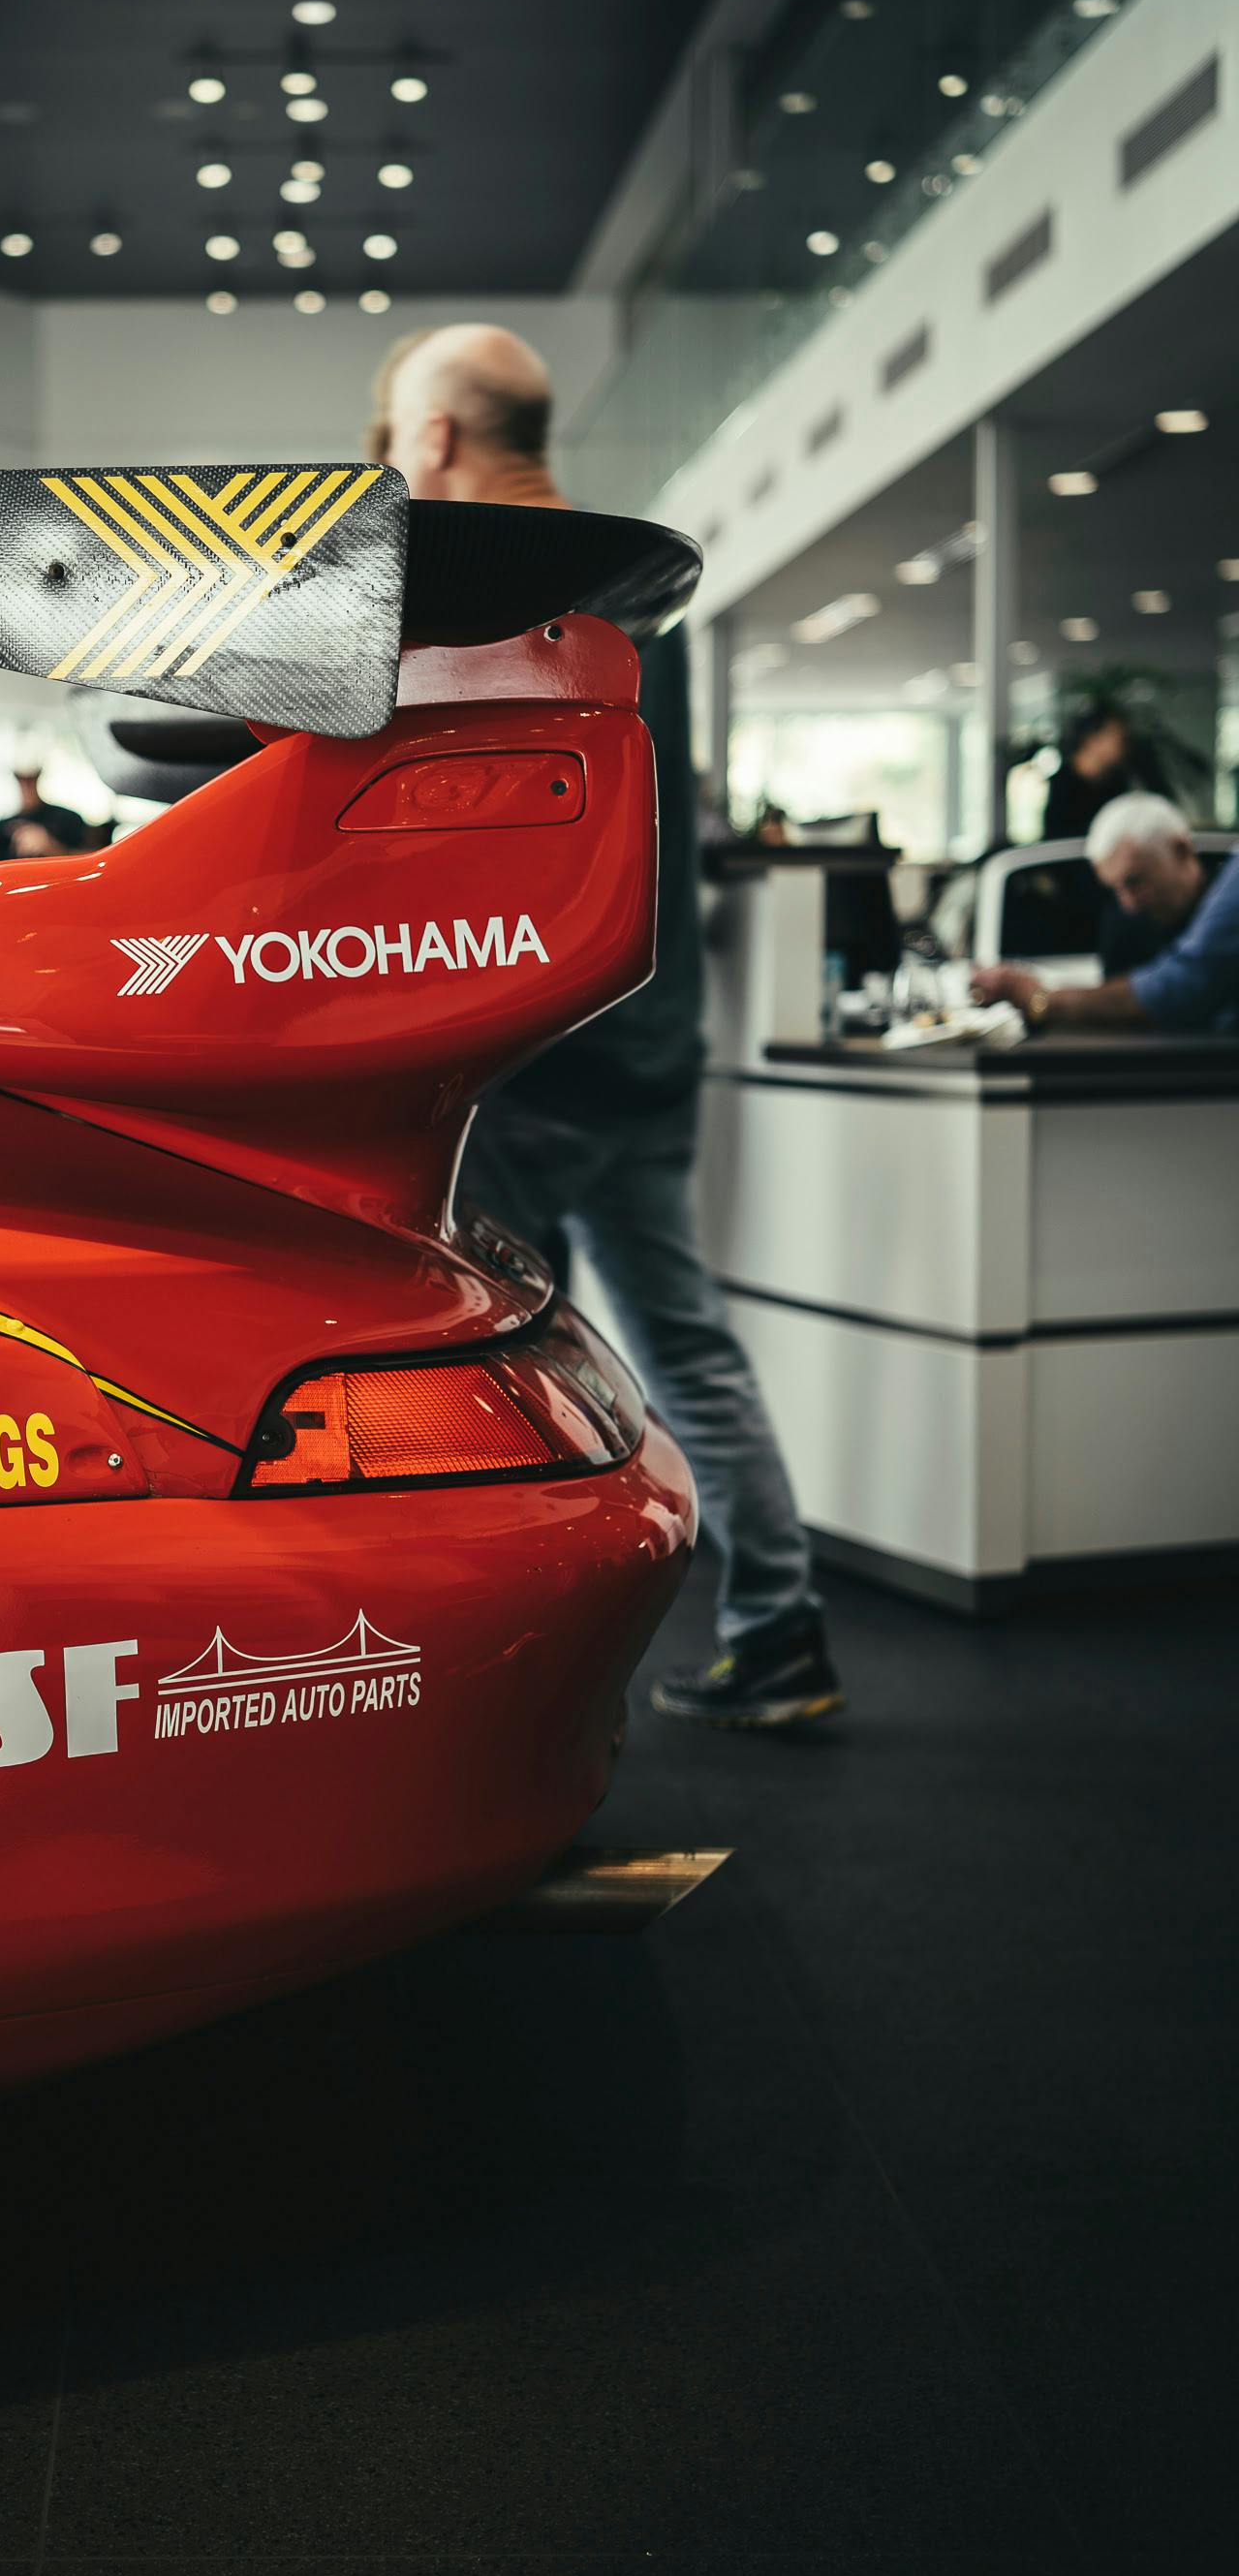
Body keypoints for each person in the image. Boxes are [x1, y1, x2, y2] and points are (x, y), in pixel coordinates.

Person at [368, 322, 842, 1728]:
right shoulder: (642, 582)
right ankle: (781, 1626)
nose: (395, 459)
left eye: (398, 434)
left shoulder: (492, 586)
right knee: (684, 1342)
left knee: (484, 1370)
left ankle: (519, 1705)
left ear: (440, 440)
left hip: (530, 1042)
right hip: (647, 1036)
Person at [974, 790, 1239, 1034]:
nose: (1129, 904)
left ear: (1181, 850)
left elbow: (1178, 990)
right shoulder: (1125, 925)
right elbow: (1119, 1022)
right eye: (1116, 889)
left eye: (1136, 882)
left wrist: (1039, 1000)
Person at [1040, 702, 1131, 845]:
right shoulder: (1061, 786)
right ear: (1092, 740)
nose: (1122, 744)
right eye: (1115, 736)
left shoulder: (1118, 783)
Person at [0, 764, 91, 861]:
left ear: (38, 777)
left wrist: (51, 847)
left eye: (30, 780)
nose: (26, 786)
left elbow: (90, 858)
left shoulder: (67, 818)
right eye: (21, 780)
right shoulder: (3, 826)